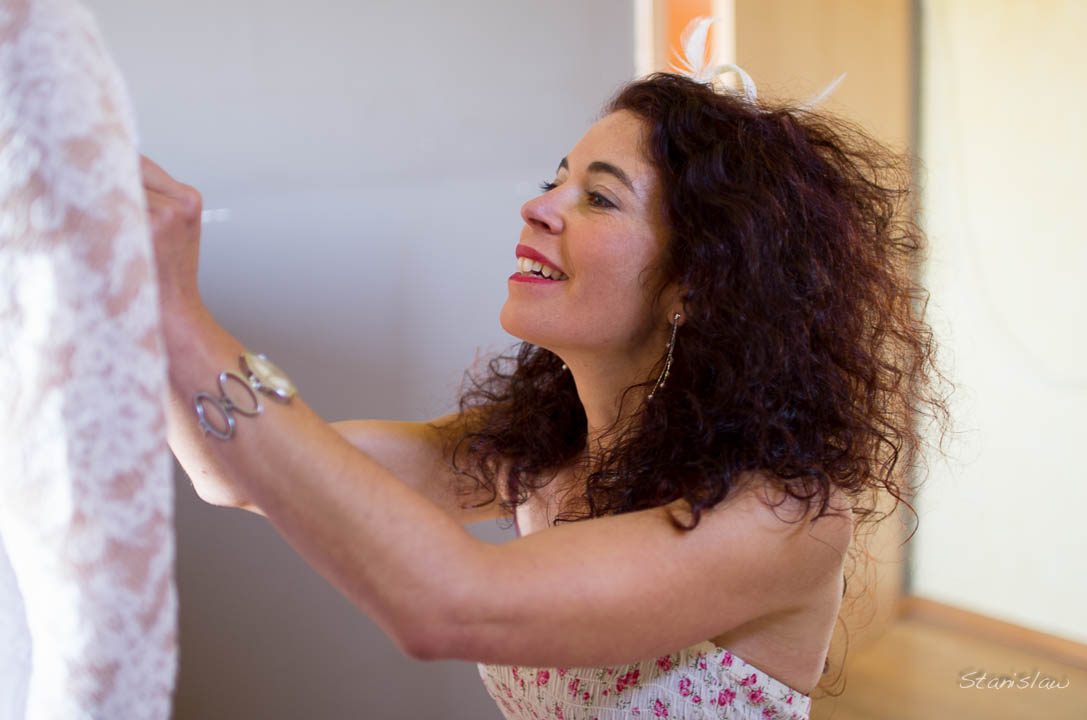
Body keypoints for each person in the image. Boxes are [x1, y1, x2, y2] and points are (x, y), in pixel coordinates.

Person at [144, 68, 945, 720]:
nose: (536, 207)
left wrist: (185, 318)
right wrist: (146, 305)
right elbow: (233, 475)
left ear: (699, 284)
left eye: (597, 198)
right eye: (552, 182)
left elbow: (452, 605)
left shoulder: (780, 517)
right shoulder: (535, 454)